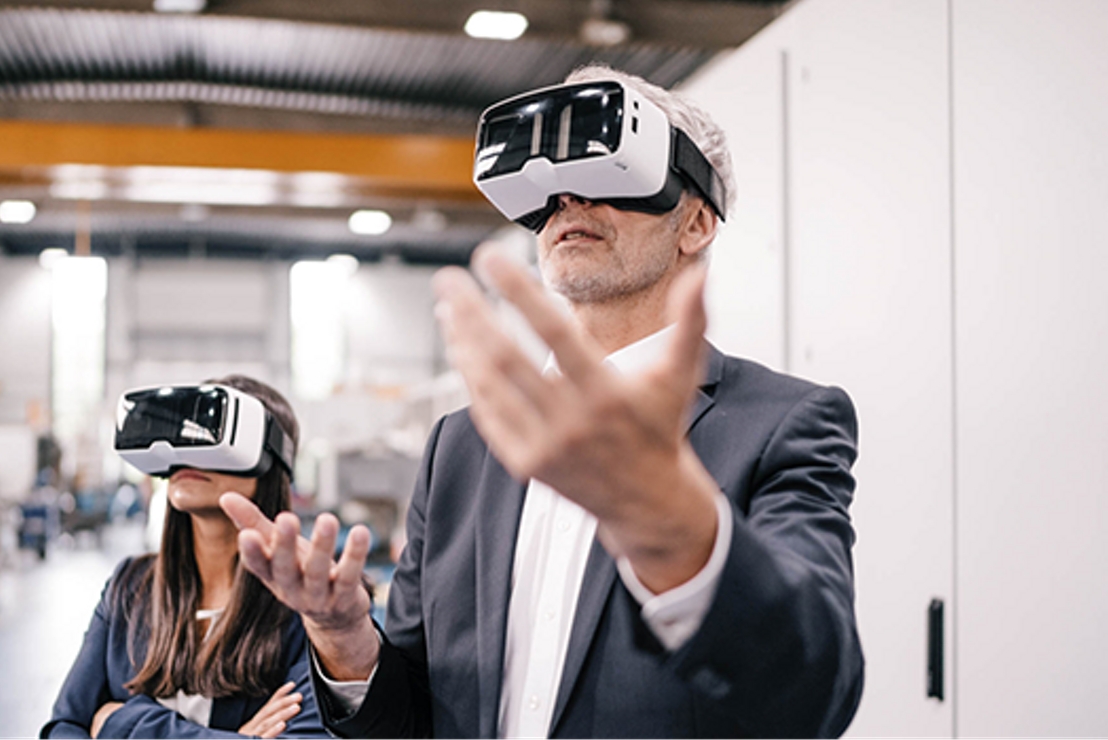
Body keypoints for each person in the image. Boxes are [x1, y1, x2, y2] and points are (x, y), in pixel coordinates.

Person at [222, 65, 863, 738]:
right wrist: (344, 637)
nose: (567, 202)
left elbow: (815, 693)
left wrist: (677, 532)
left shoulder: (783, 423)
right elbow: (413, 718)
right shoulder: (462, 446)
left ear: (696, 223)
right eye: (549, 189)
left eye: (608, 177)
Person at [42, 376, 328, 739]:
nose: (188, 453)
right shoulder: (129, 586)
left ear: (271, 460)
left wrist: (125, 724)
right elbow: (65, 727)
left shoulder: (308, 607)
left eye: (212, 434)